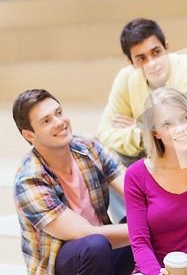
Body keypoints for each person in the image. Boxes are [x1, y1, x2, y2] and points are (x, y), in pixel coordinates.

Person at [12, 89, 134, 275]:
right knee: (95, 244)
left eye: (59, 113)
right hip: (68, 263)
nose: (60, 122)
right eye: (46, 121)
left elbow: (134, 191)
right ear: (30, 135)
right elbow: (84, 233)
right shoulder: (29, 181)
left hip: (102, 254)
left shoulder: (89, 147)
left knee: (140, 217)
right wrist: (147, 228)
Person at [97, 18, 187, 223]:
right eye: (141, 58)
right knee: (105, 159)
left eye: (156, 52)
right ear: (131, 63)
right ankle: (132, 221)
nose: (152, 64)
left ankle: (167, 216)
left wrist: (145, 127)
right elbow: (104, 133)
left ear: (167, 48)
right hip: (152, 152)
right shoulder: (126, 78)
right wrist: (142, 132)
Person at [124, 87, 187, 275]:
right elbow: (140, 242)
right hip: (152, 271)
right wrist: (156, 273)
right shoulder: (137, 174)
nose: (180, 129)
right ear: (155, 132)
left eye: (185, 118)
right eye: (167, 124)